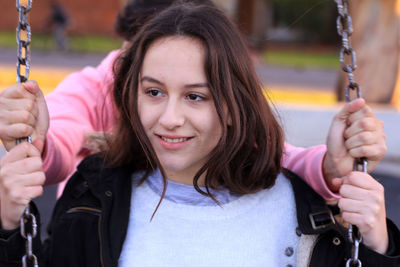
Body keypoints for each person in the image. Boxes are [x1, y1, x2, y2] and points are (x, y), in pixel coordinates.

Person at [0, 2, 399, 266]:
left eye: (195, 96)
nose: (170, 118)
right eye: (153, 91)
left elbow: (274, 155)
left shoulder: (292, 208)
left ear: (231, 103)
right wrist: (33, 150)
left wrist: (370, 229)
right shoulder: (92, 200)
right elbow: (67, 135)